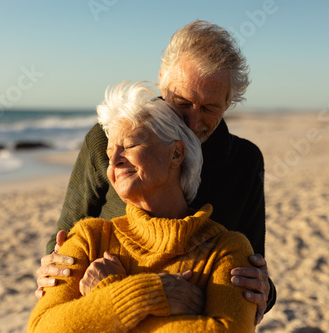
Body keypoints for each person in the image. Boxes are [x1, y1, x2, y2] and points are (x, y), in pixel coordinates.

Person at [37, 20, 276, 323]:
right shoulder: (108, 140)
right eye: (182, 101)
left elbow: (252, 269)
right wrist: (56, 270)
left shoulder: (244, 161)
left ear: (230, 102)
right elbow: (62, 243)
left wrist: (264, 291)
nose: (192, 120)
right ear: (162, 79)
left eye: (210, 107)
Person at [27, 81, 256, 332]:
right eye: (110, 151)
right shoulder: (88, 238)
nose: (113, 161)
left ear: (176, 155)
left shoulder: (225, 249)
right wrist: (146, 295)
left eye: (130, 145)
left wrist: (105, 295)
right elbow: (41, 328)